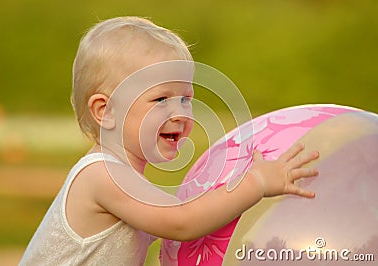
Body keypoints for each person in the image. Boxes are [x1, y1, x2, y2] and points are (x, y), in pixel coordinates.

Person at [19, 16, 319, 265]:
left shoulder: (126, 178)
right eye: (161, 98)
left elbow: (193, 215)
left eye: (186, 98)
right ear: (106, 111)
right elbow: (183, 222)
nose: (180, 112)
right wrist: (256, 183)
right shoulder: (102, 175)